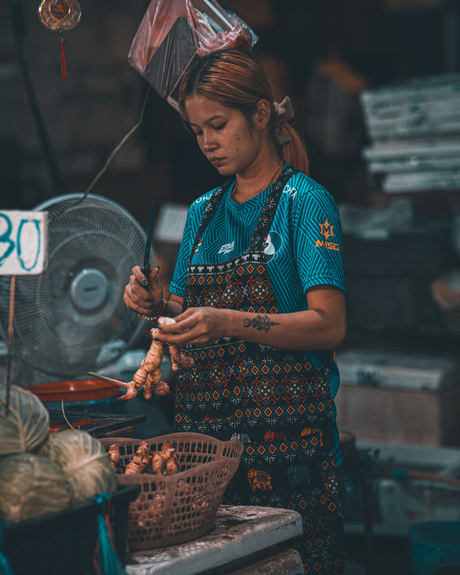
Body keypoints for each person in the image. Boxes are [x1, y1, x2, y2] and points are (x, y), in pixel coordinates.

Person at [123, 48, 347, 574]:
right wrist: (158, 304)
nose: (208, 144)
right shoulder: (203, 212)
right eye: (197, 131)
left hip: (291, 451)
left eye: (218, 126)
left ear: (261, 114)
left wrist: (225, 321)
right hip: (208, 456)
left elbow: (330, 324)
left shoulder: (304, 202)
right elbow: (184, 307)